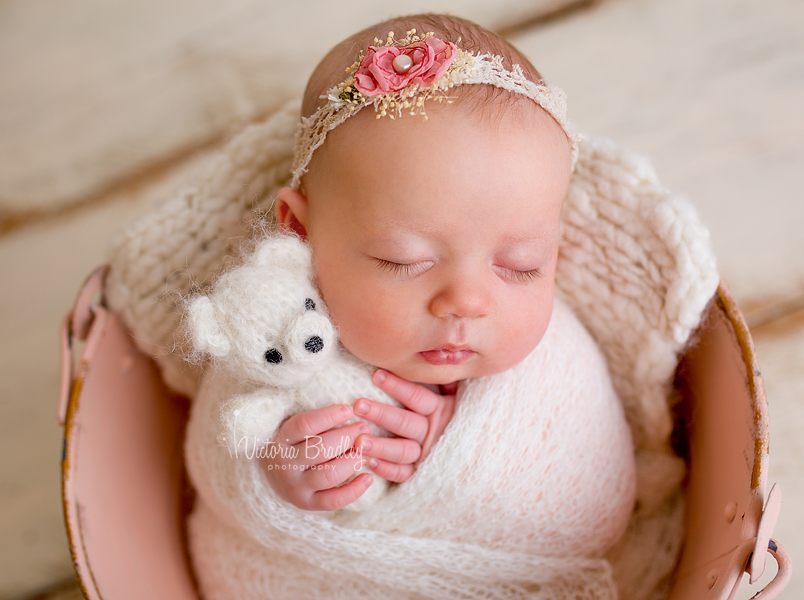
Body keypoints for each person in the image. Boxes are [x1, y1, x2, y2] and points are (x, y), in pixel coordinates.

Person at [183, 13, 638, 600]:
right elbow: (219, 452)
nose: (468, 301)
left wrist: (470, 454)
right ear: (301, 231)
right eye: (404, 260)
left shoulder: (552, 364)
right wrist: (277, 473)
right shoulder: (274, 333)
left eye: (520, 265)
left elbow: (591, 489)